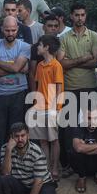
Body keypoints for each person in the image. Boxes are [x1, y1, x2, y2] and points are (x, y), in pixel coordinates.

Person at [0, 16, 31, 188]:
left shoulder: (24, 46)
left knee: (17, 134)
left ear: (17, 30)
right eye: (7, 30)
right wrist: (16, 68)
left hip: (19, 94)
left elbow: (15, 68)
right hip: (0, 95)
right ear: (2, 30)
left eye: (13, 30)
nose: (10, 33)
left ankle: (14, 169)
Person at [57, 3, 97, 177]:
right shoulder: (64, 37)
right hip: (70, 88)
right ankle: (69, 165)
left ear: (86, 16)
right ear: (71, 16)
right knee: (69, 128)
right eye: (77, 15)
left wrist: (72, 61)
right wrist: (83, 58)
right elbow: (61, 63)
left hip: (90, 86)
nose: (80, 18)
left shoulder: (94, 36)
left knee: (90, 126)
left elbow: (96, 61)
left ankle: (89, 162)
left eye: (82, 15)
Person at [28, 35, 64, 181]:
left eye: (40, 45)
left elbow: (59, 89)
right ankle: (47, 168)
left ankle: (55, 168)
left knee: (54, 139)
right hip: (41, 108)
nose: (37, 47)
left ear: (47, 47)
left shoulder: (56, 65)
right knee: (43, 140)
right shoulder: (40, 65)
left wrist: (57, 109)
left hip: (52, 108)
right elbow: (37, 86)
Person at [28, 14, 60, 92]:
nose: (53, 28)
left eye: (56, 26)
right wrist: (34, 93)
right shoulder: (37, 47)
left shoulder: (62, 44)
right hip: (41, 88)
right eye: (50, 26)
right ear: (43, 27)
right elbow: (32, 73)